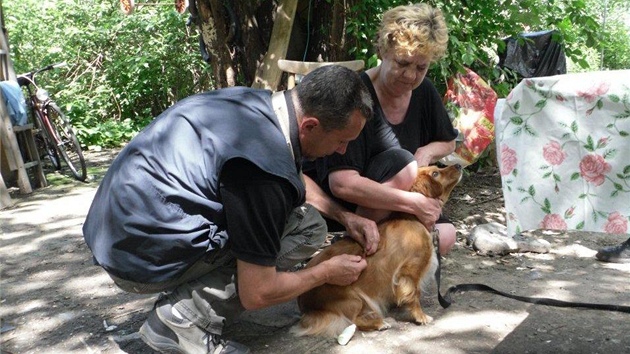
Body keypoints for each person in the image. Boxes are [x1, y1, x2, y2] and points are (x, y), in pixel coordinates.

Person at [82, 65, 375, 354]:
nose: (342, 151)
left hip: (114, 232)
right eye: (341, 141)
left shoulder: (255, 104)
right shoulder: (263, 170)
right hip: (137, 261)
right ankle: (182, 319)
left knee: (307, 220)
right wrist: (325, 272)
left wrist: (345, 216)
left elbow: (290, 174)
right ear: (309, 125)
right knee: (307, 230)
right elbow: (257, 292)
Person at [313, 3, 458, 256]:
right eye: (403, 63)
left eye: (421, 68)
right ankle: (358, 245)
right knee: (402, 162)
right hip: (358, 206)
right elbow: (342, 185)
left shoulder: (424, 92)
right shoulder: (354, 95)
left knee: (445, 237)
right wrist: (413, 202)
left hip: (401, 202)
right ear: (382, 51)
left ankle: (383, 276)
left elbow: (448, 142)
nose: (411, 76)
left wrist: (425, 152)